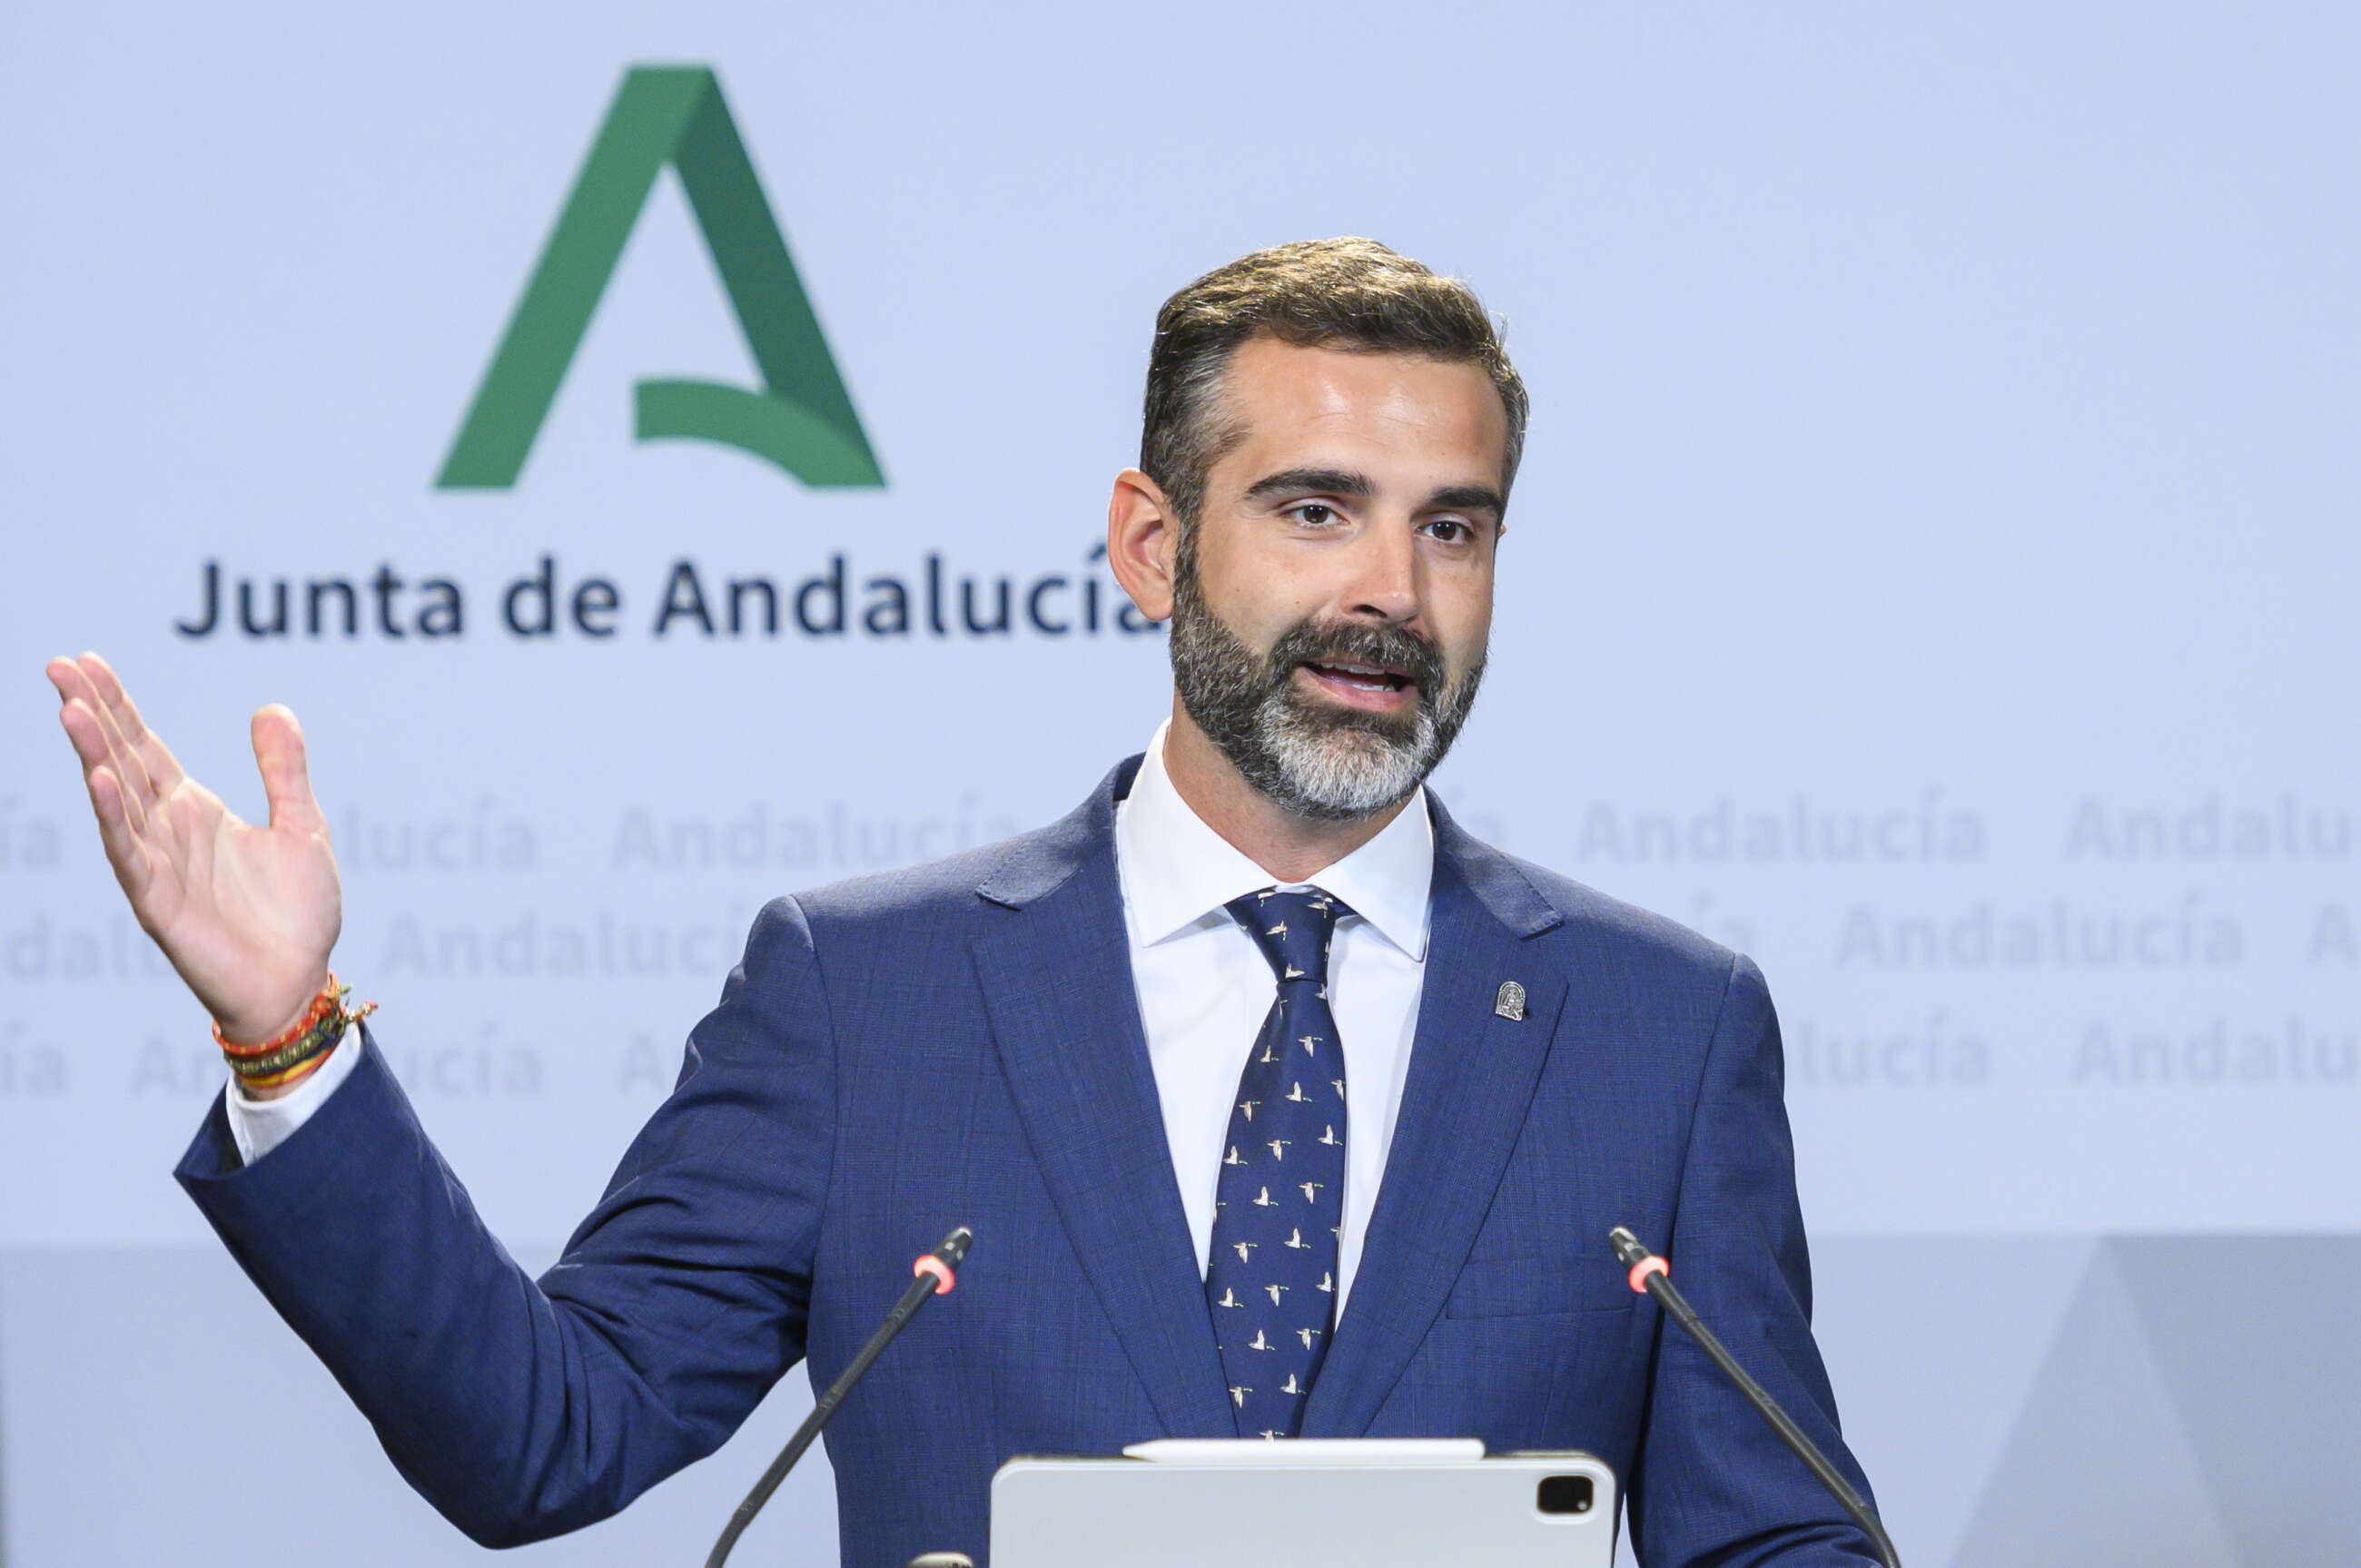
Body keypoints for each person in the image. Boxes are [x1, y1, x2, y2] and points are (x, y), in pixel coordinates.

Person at [44, 238, 1882, 1566]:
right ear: (1150, 544)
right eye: (1316, 510)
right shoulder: (867, 999)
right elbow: (543, 1438)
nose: (1390, 590)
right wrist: (283, 1032)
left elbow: (1776, 1537)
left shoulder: (1660, 1027)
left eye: (1452, 525)